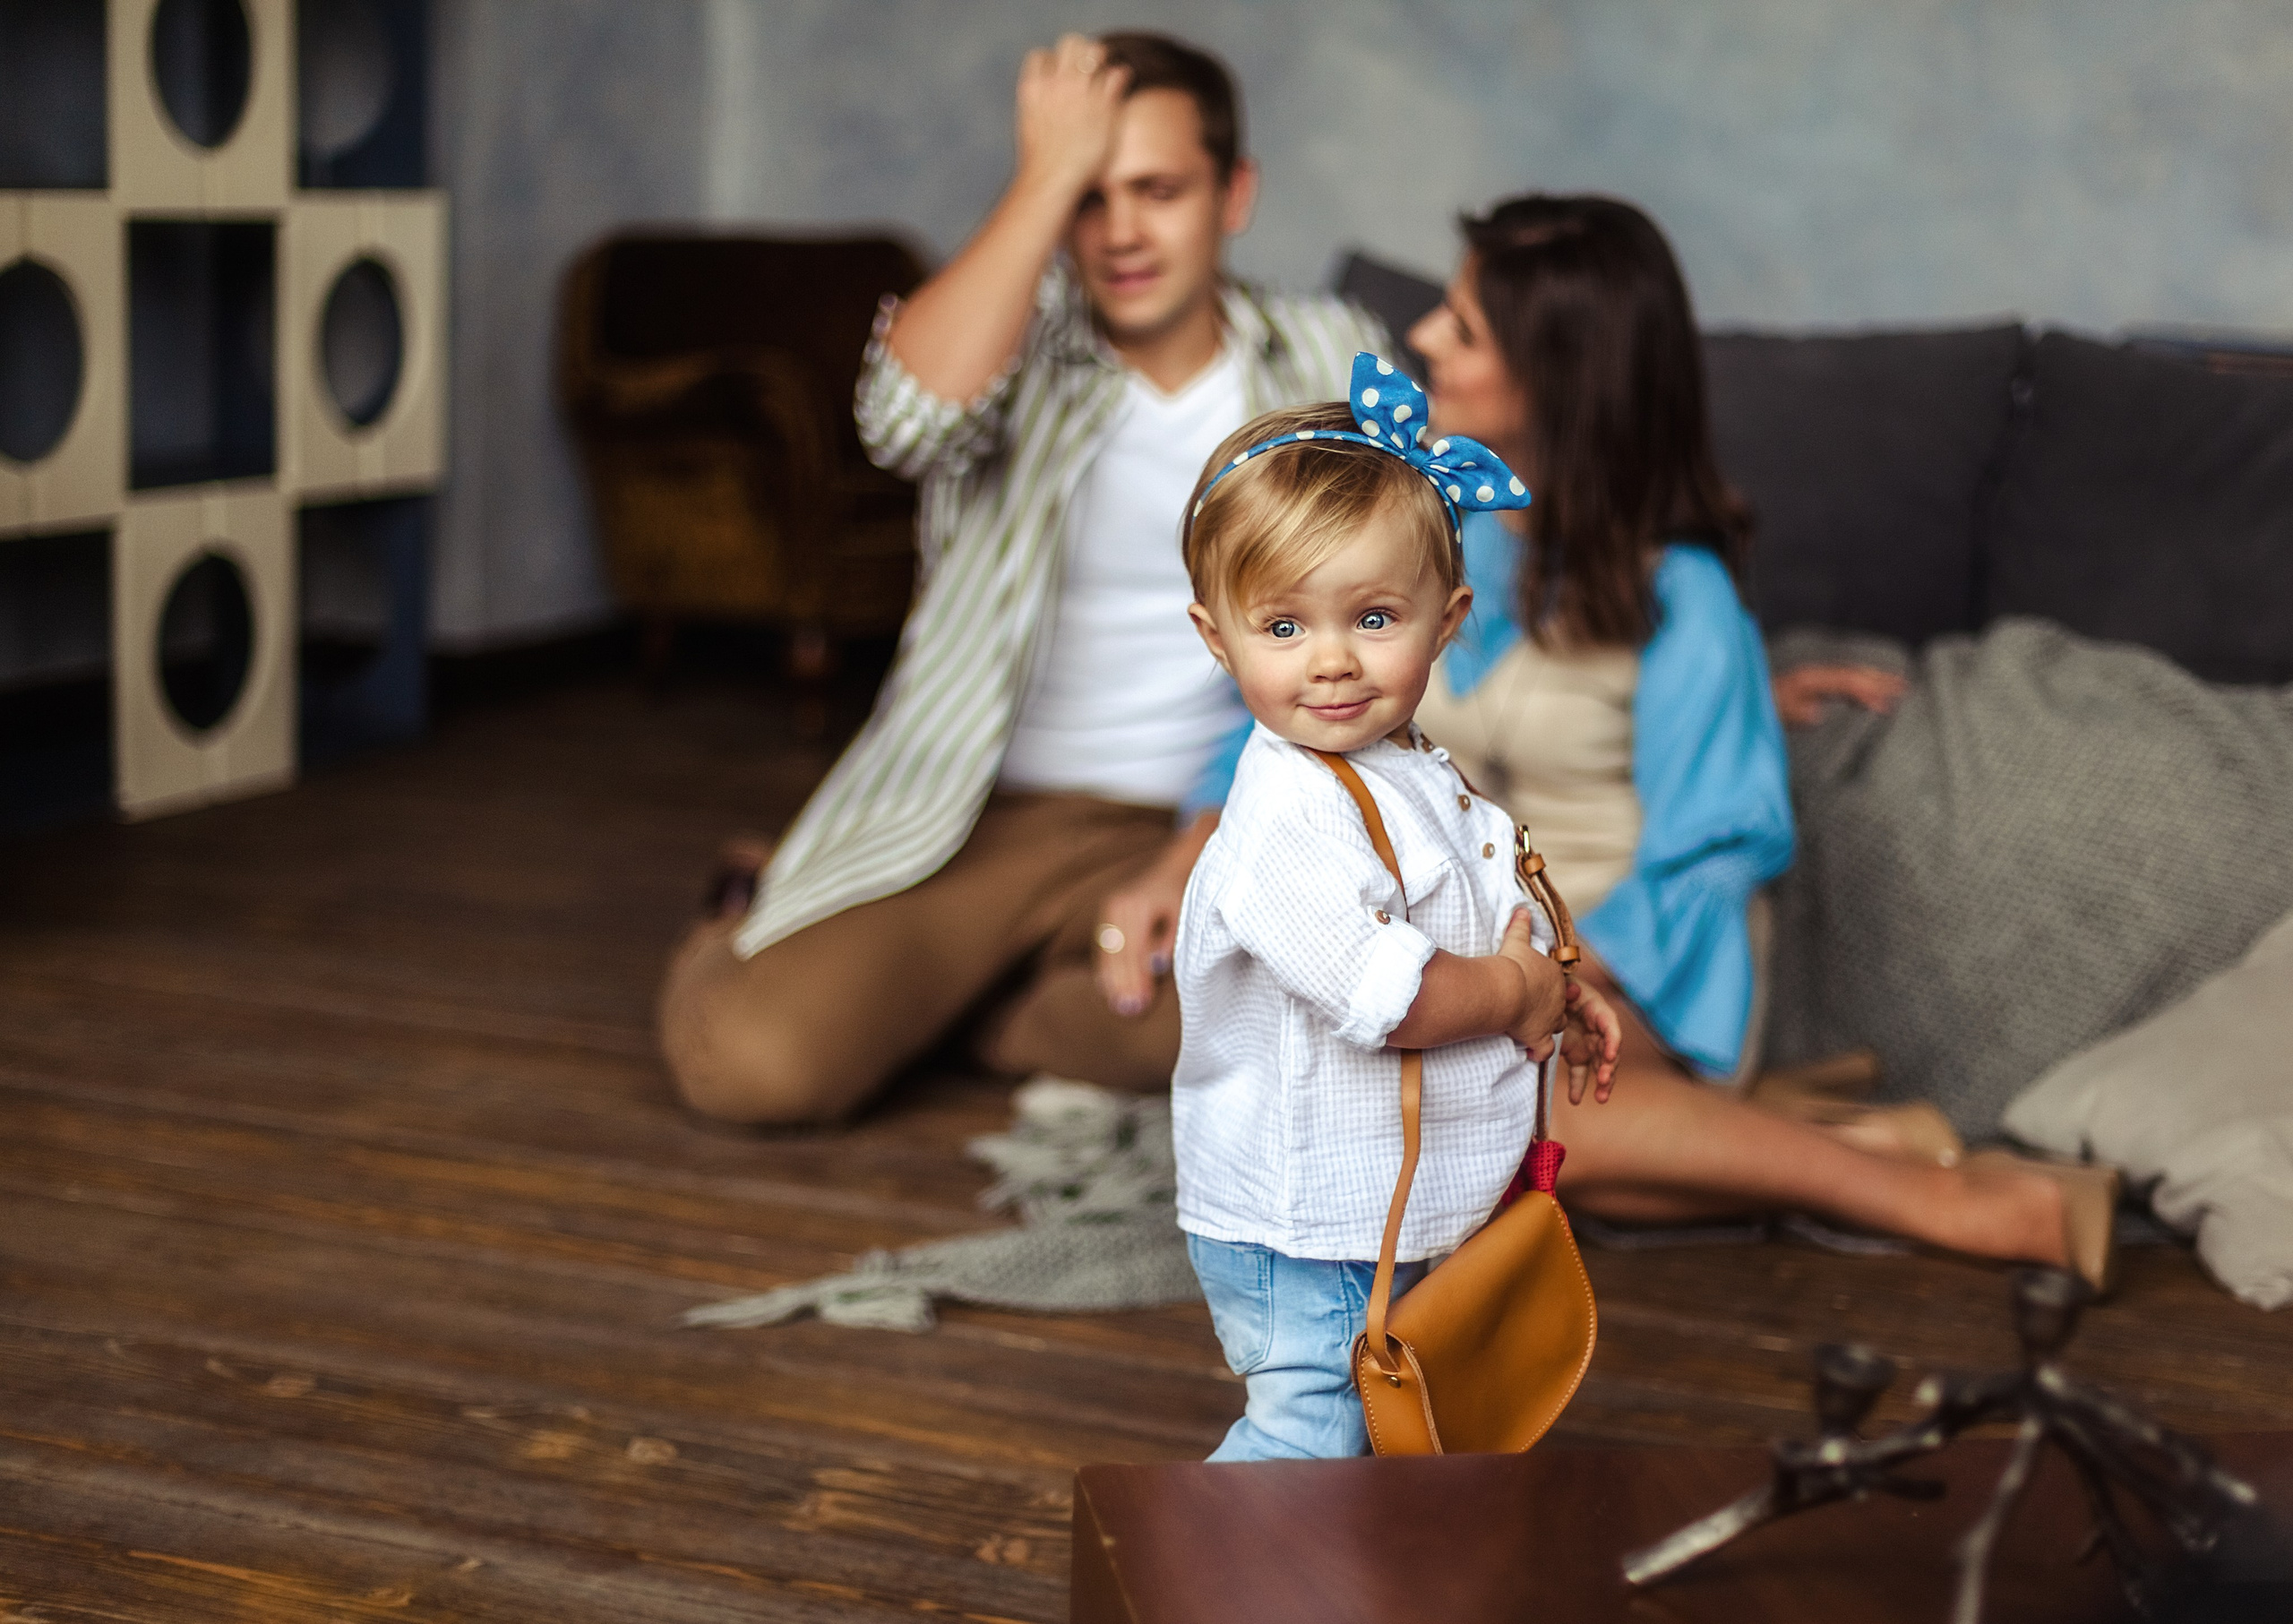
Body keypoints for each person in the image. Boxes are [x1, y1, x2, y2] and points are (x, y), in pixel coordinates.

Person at [658, 33, 1386, 1123]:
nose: (1123, 232)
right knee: (755, 1066)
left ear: (1234, 194)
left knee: (1309, 1031)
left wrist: (1199, 848)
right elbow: (902, 422)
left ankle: (959, 1013)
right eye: (1091, 197)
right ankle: (766, 911)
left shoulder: (1327, 350)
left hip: (1209, 821)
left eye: (1159, 190)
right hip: (976, 814)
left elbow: (1399, 603)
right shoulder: (1016, 339)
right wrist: (1045, 170)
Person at [1403, 193, 2117, 1291]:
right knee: (1437, 1117)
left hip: (1628, 958)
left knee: (1519, 1115)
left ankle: (1932, 1197)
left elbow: (1708, 851)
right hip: (1467, 955)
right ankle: (1837, 1149)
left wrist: (1530, 975)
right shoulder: (1434, 538)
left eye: (1460, 328)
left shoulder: (1683, 598)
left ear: (1555, 373)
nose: (1420, 342)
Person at [1172, 373, 1622, 1460]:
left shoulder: (1404, 762)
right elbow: (1395, 994)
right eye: (1282, 623)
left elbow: (1483, 907)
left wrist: (1557, 988)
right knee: (1310, 1436)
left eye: (1372, 618)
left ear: (1446, 621)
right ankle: (1202, 1581)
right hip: (1309, 1227)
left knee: (1403, 1424)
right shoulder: (1284, 816)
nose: (1330, 659)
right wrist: (1516, 992)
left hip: (1393, 1201)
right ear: (1217, 637)